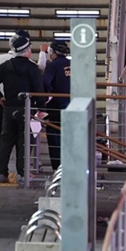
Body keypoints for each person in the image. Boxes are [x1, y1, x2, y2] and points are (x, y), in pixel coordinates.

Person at [0, 31, 45, 185]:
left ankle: (1, 173)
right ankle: (21, 173)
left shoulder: (6, 66)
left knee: (5, 140)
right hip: (26, 109)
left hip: (8, 108)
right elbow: (38, 90)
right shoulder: (32, 68)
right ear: (27, 51)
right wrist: (41, 108)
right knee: (24, 141)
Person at [0, 30, 29, 176]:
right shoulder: (29, 64)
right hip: (23, 106)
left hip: (2, 104)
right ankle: (22, 170)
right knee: (22, 139)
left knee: (2, 137)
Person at [42, 40, 71, 171]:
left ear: (53, 52)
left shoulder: (52, 66)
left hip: (57, 107)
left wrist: (45, 99)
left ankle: (58, 168)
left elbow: (46, 83)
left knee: (55, 137)